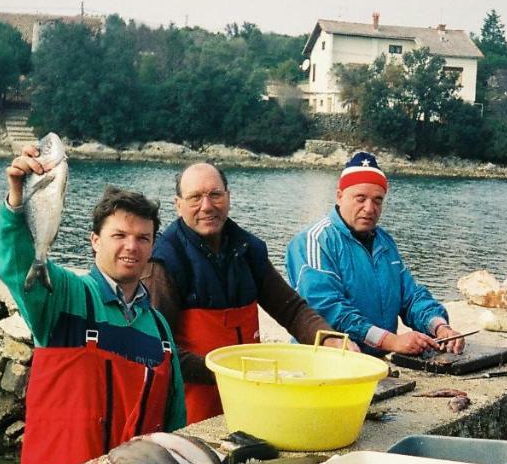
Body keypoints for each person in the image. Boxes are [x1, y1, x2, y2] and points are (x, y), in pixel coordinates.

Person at [0, 146, 186, 464]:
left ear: (153, 246)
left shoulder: (159, 330)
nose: (132, 246)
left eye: (143, 238)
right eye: (119, 235)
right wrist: (16, 201)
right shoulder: (65, 297)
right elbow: (18, 265)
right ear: (95, 240)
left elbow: (175, 424)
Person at [146, 162, 356, 424]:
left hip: (248, 399)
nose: (207, 206)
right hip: (192, 409)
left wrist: (330, 340)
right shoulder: (164, 261)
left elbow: (291, 309)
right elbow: (158, 347)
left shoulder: (248, 249)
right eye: (195, 197)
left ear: (228, 196)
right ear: (178, 204)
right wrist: (226, 372)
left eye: (215, 194)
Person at [286, 151, 464, 356]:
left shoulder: (385, 243)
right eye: (360, 198)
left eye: (377, 200)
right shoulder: (314, 241)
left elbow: (411, 296)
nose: (369, 208)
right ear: (340, 195)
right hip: (324, 360)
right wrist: (391, 341)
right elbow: (327, 309)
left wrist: (439, 326)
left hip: (374, 362)